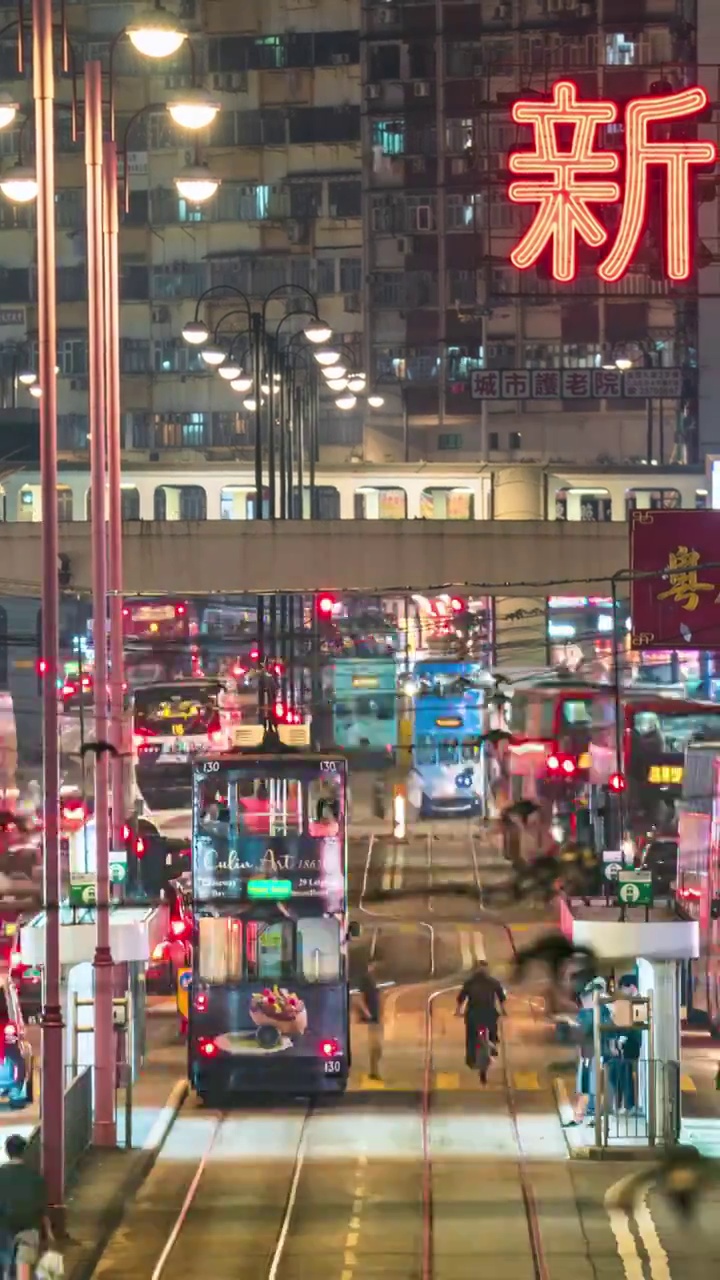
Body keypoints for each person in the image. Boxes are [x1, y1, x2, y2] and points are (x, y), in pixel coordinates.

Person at [0, 1134, 53, 1280]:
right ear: (24, 1151)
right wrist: (48, 1234)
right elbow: (43, 1210)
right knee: (25, 1268)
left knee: (6, 1266)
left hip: (4, 1232)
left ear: (7, 1151)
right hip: (29, 1230)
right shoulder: (35, 1177)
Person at [566, 979, 613, 1126]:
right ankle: (587, 1117)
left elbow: (581, 1032)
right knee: (591, 1087)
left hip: (591, 1054)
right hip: (593, 1054)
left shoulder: (589, 1013)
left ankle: (583, 1117)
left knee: (589, 1087)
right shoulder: (605, 1012)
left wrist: (573, 1025)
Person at [455, 961, 506, 1068]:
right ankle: (492, 1044)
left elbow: (461, 998)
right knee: (492, 1031)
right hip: (489, 1014)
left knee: (471, 1037)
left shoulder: (469, 982)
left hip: (473, 1015)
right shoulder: (493, 982)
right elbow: (501, 997)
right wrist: (503, 1010)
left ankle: (471, 1058)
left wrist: (458, 1011)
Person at [611, 974, 642, 1114]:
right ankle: (625, 1104)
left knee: (626, 1072)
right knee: (624, 1072)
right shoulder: (631, 1001)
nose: (622, 992)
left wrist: (622, 1038)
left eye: (624, 988)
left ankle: (629, 1105)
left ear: (631, 987)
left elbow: (633, 1023)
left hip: (631, 1042)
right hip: (628, 1041)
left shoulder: (637, 1001)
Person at [357, 959, 383, 1081]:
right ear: (370, 965)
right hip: (371, 1018)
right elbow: (359, 998)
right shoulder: (366, 979)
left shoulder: (373, 979)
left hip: (376, 1017)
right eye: (375, 964)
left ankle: (374, 1070)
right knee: (375, 1047)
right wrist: (367, 1013)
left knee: (377, 1048)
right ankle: (374, 1072)